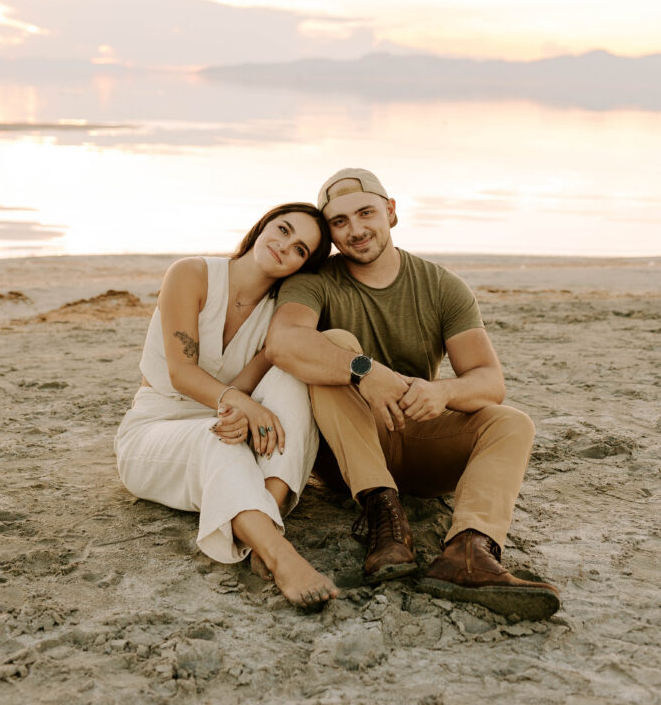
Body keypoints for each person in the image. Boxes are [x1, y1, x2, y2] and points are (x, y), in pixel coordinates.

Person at [266, 169, 560, 620]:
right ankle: (383, 514)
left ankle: (467, 551)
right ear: (331, 232)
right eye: (339, 222)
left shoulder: (442, 285)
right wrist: (365, 371)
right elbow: (283, 342)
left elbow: (489, 381)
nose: (356, 229)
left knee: (512, 422)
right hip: (346, 451)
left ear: (391, 212)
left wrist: (443, 392)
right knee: (339, 342)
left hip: (418, 438)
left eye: (366, 213)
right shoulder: (316, 280)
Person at [114, 202, 338, 609]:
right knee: (215, 438)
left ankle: (259, 525)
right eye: (284, 230)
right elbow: (182, 373)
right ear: (263, 225)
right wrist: (239, 406)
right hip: (156, 429)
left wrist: (237, 407)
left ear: (301, 267)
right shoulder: (192, 273)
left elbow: (240, 387)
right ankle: (279, 553)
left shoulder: (277, 316)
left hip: (226, 424)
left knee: (290, 375)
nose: (286, 246)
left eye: (301, 249)